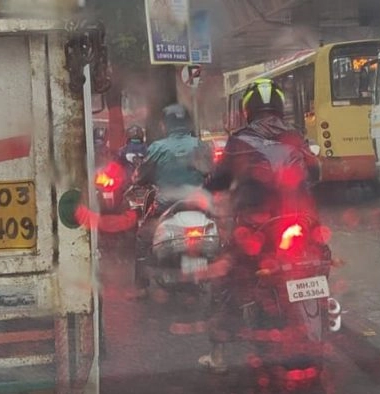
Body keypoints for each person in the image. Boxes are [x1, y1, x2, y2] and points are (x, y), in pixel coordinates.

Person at [200, 78, 321, 373]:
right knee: (319, 258)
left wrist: (208, 187)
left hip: (257, 228)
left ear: (247, 109)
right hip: (300, 223)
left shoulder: (239, 140)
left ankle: (218, 357)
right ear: (279, 106)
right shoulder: (295, 135)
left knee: (225, 280)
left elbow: (218, 180)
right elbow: (316, 172)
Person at [132, 104, 213, 289]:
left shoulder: (158, 148)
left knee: (143, 238)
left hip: (164, 207)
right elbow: (211, 172)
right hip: (199, 206)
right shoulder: (201, 145)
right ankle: (223, 291)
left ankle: (141, 287)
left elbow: (140, 176)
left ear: (165, 125)